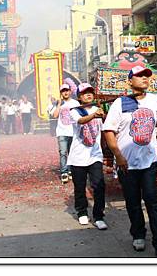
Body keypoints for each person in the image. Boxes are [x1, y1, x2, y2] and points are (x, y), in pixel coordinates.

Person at [102, 65, 157, 257]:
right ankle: (138, 234)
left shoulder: (154, 100)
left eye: (146, 76)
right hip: (127, 163)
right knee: (133, 202)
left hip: (149, 162)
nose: (144, 78)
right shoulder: (120, 103)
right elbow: (109, 131)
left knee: (153, 201)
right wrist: (118, 156)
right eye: (140, 76)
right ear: (130, 81)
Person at [68, 83, 108, 230]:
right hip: (78, 157)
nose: (88, 95)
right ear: (79, 97)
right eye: (85, 93)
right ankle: (82, 212)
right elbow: (81, 121)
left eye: (90, 92)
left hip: (95, 155)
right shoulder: (74, 111)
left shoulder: (99, 110)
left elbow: (104, 131)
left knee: (99, 185)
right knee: (79, 186)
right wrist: (93, 115)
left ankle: (99, 216)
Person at [49, 85, 80, 183]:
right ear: (61, 93)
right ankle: (64, 172)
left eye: (67, 90)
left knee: (71, 152)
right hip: (61, 132)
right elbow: (55, 115)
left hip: (73, 131)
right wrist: (58, 104)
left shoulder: (75, 103)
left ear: (70, 91)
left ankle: (71, 170)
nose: (65, 92)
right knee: (63, 152)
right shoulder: (58, 103)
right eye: (63, 91)